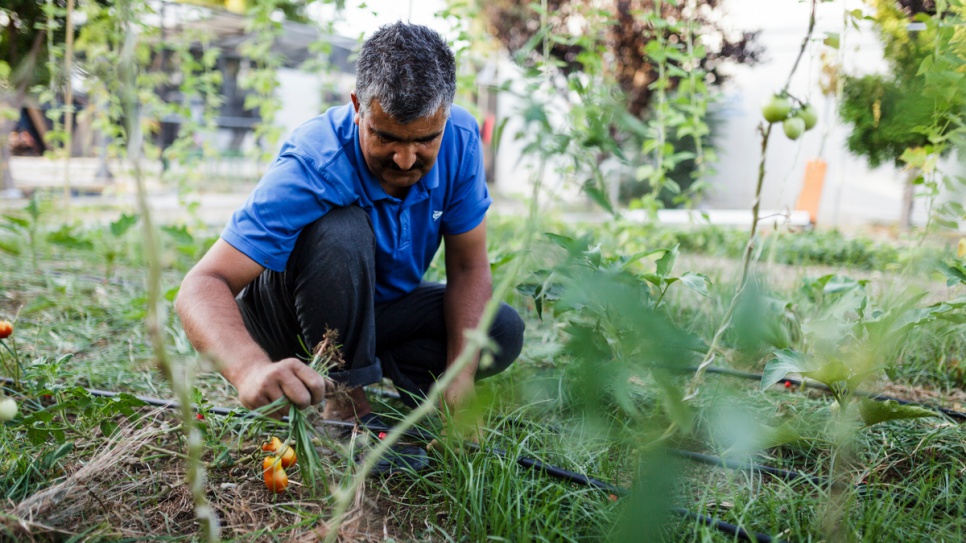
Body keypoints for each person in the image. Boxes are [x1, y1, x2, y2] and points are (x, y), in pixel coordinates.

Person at [175, 22, 524, 429]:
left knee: (501, 330)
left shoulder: (460, 139)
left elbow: (468, 266)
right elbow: (202, 284)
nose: (406, 160)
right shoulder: (314, 160)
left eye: (425, 140)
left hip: (375, 314)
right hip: (288, 324)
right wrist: (248, 368)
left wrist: (461, 372)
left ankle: (394, 377)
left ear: (445, 114)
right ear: (358, 106)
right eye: (387, 138)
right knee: (341, 229)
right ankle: (345, 405)